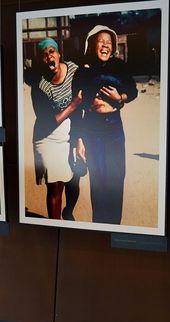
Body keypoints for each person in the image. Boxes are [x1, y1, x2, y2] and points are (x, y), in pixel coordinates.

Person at [74, 25, 138, 224]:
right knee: (98, 179)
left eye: (109, 42)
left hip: (114, 128)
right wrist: (78, 140)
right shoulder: (82, 71)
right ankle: (100, 226)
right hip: (92, 128)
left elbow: (133, 91)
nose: (105, 46)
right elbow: (76, 107)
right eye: (101, 42)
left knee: (116, 178)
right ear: (93, 44)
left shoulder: (120, 66)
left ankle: (114, 227)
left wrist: (121, 97)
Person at [25, 37, 83, 220]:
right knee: (55, 187)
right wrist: (73, 105)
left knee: (73, 181)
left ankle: (68, 211)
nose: (49, 56)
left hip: (70, 130)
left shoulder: (74, 71)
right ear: (41, 61)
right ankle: (55, 228)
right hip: (47, 136)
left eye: (52, 51)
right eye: (44, 55)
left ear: (59, 54)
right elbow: (48, 120)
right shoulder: (40, 85)